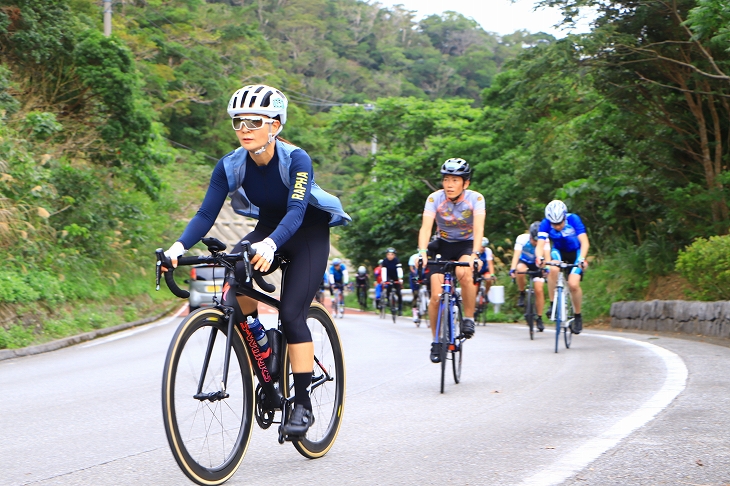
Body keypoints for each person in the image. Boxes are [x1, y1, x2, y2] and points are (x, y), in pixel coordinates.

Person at [163, 84, 350, 437]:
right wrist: (176, 247)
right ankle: (264, 356)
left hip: (306, 232)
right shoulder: (230, 164)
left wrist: (270, 244)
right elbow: (205, 214)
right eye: (237, 122)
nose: (244, 130)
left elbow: (296, 210)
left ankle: (303, 405)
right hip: (268, 228)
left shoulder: (297, 159)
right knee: (235, 286)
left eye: (253, 121)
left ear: (275, 125)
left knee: (293, 315)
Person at [417, 158, 485, 363]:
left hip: (467, 244)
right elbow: (426, 228)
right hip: (443, 245)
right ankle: (436, 340)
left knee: (464, 274)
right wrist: (422, 252)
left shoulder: (476, 199)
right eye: (446, 179)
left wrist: (475, 255)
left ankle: (469, 318)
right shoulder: (434, 199)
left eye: (455, 180)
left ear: (466, 183)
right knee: (436, 296)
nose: (449, 184)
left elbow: (480, 228)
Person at [535, 200, 589, 334]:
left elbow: (585, 243)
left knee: (573, 284)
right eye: (554, 224)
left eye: (560, 223)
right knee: (553, 268)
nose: (557, 226)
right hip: (558, 251)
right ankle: (553, 303)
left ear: (565, 217)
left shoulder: (574, 219)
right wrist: (540, 258)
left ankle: (577, 316)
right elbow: (540, 245)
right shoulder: (545, 223)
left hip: (575, 252)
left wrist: (582, 259)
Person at [509, 222, 548, 332]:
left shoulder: (545, 240)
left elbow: (547, 257)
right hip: (525, 262)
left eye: (537, 241)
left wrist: (546, 269)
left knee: (539, 289)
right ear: (530, 236)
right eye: (534, 240)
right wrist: (512, 268)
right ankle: (521, 293)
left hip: (537, 264)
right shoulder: (522, 239)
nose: (536, 243)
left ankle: (539, 317)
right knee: (519, 270)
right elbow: (516, 256)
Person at [381, 248, 403, 315]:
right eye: (388, 255)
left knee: (399, 293)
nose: (390, 256)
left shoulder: (396, 261)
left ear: (394, 255)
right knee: (389, 287)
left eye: (392, 255)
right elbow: (384, 271)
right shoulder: (385, 261)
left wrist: (400, 278)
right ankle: (387, 299)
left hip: (396, 276)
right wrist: (384, 280)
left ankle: (400, 309)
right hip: (388, 276)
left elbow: (399, 270)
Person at [407, 251, 421, 322]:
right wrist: (416, 275)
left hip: (426, 276)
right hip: (415, 276)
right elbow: (412, 269)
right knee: (415, 294)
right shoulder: (413, 257)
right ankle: (415, 313)